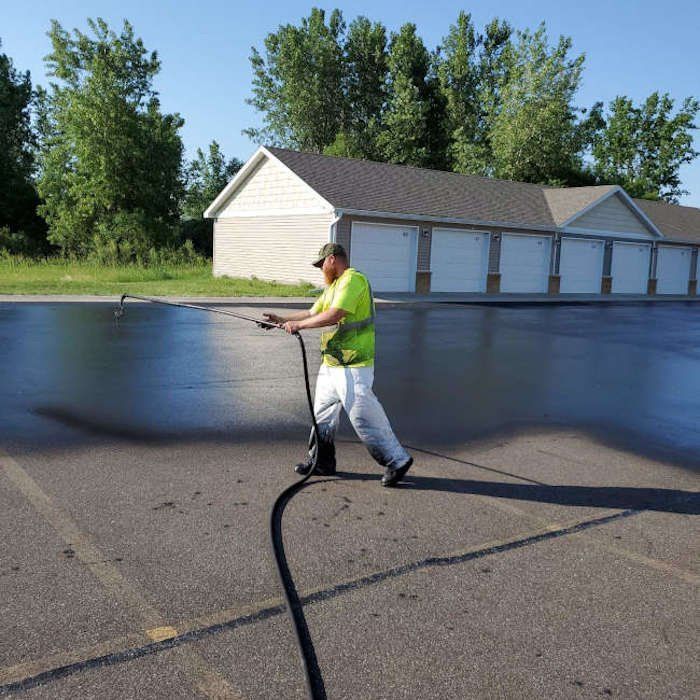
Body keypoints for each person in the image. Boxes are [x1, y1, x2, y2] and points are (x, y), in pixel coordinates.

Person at [263, 242, 413, 487]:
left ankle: (397, 459)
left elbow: (335, 315)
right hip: (332, 363)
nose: (321, 269)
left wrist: (298, 327)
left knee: (363, 414)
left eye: (322, 264)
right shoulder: (333, 286)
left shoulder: (353, 280)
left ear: (332, 259)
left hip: (353, 364)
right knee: (322, 413)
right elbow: (312, 313)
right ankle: (321, 461)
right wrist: (281, 320)